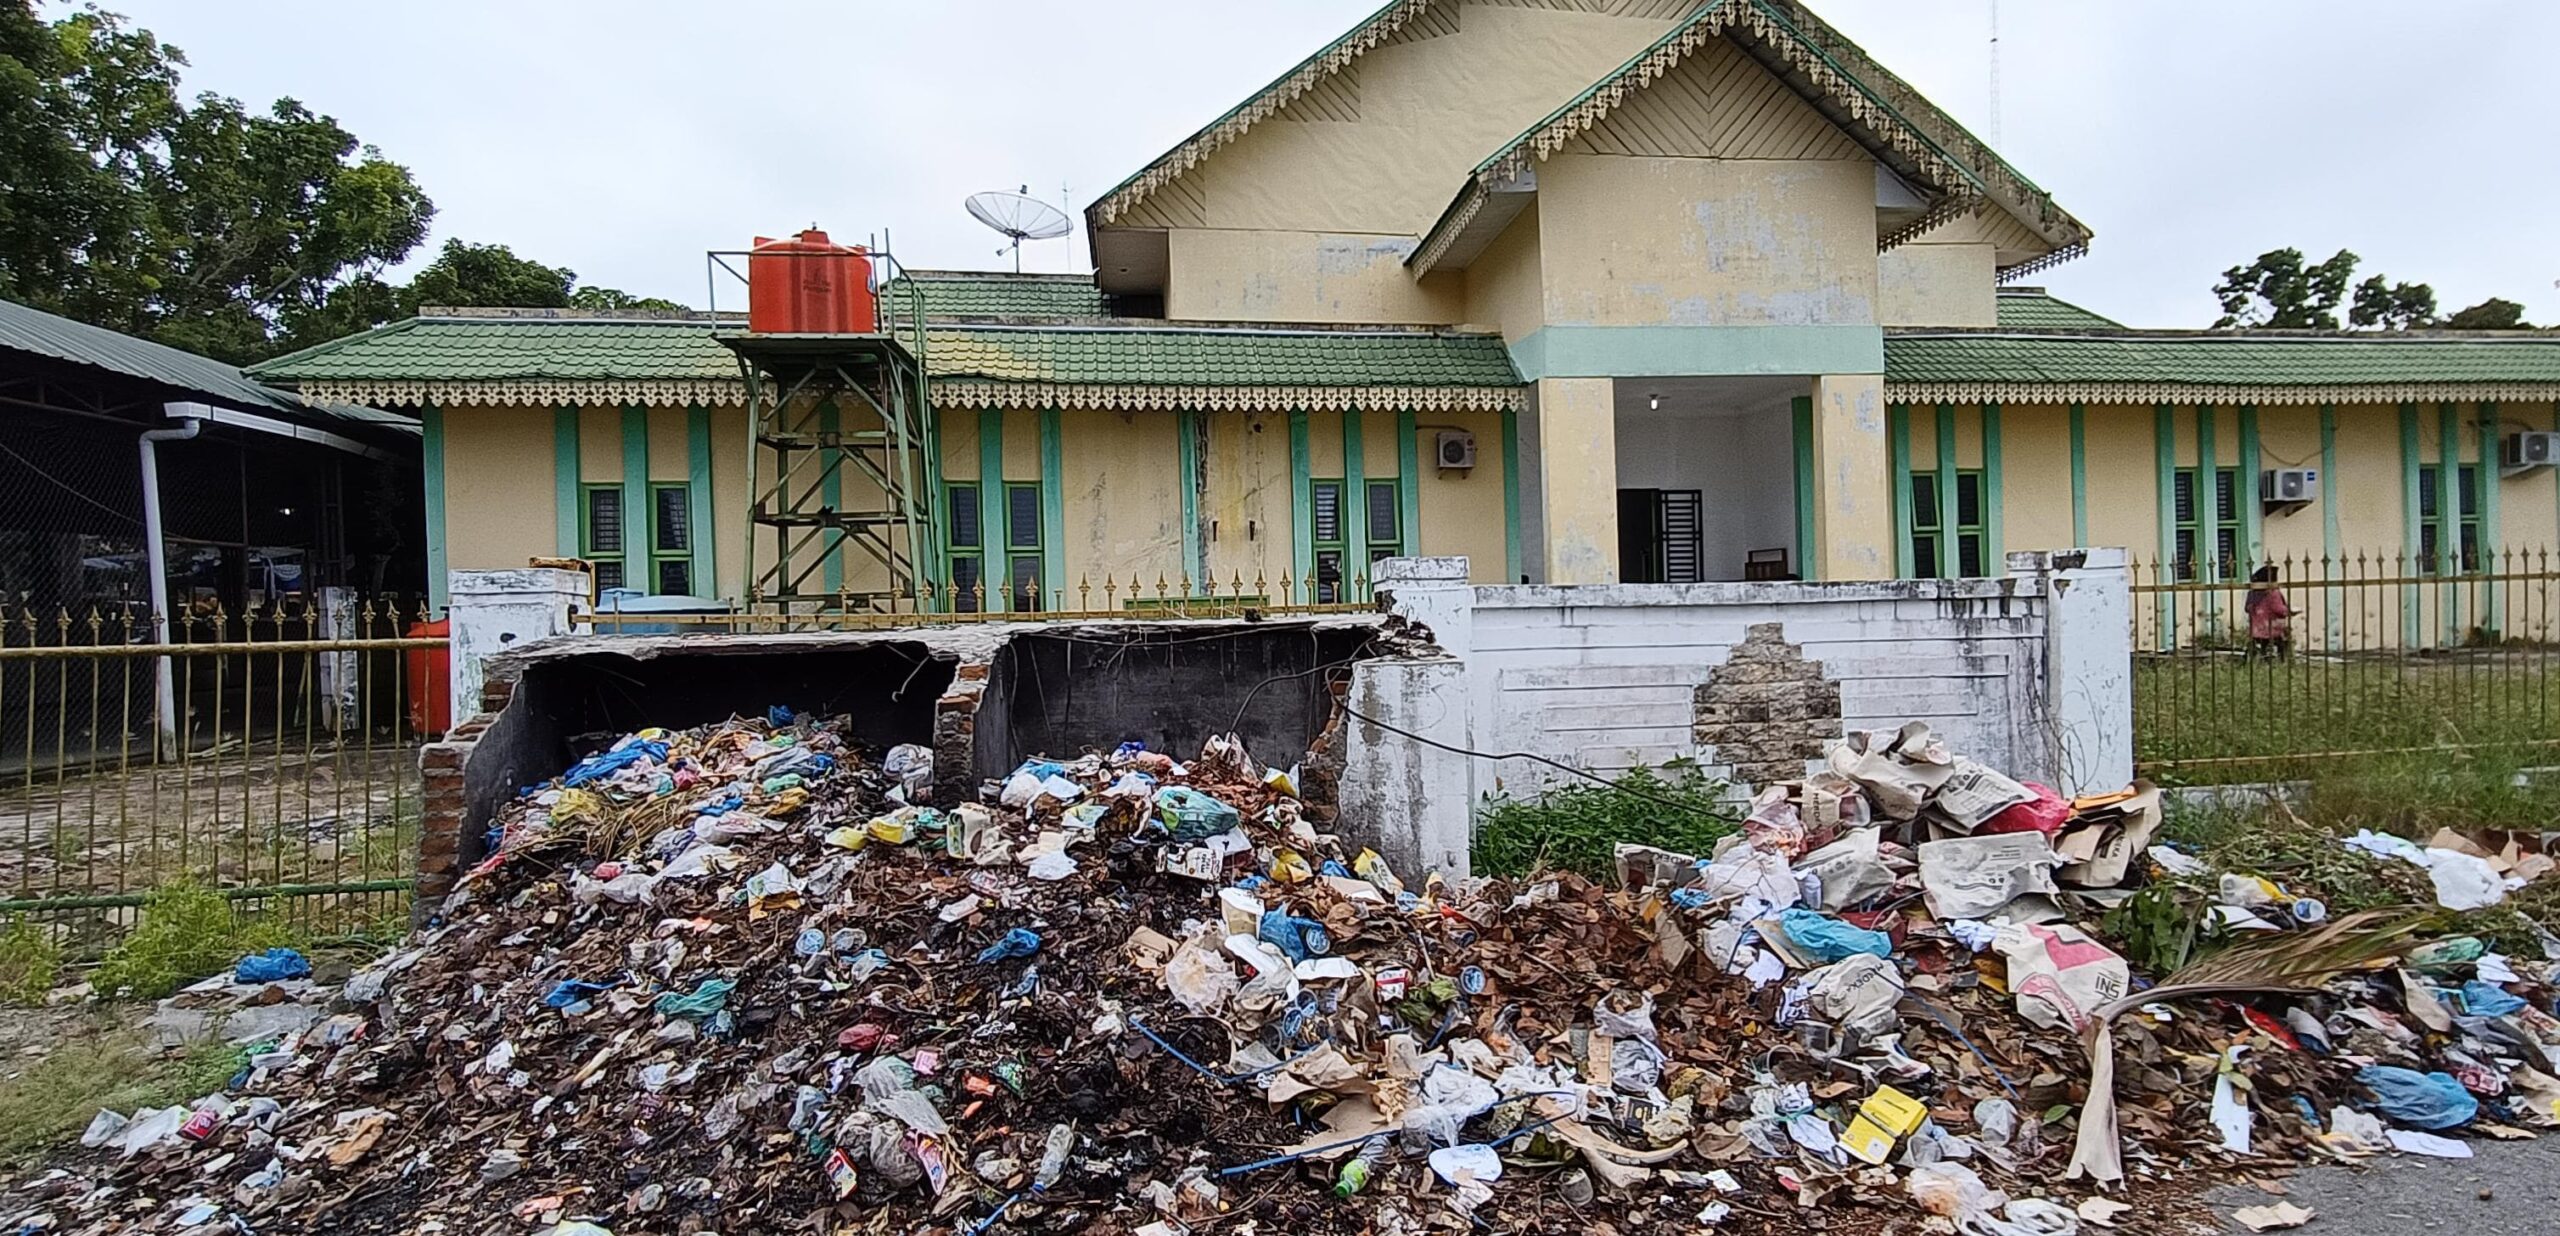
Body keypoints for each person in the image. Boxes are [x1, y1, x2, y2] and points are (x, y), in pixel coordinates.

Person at [2244, 563, 2292, 661]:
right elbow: (2278, 609)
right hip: (2272, 629)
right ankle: (2282, 660)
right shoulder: (2273, 593)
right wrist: (2289, 611)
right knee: (2281, 644)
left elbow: (2247, 608)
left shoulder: (2252, 593)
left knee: (2260, 646)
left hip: (2256, 629)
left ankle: (2256, 658)